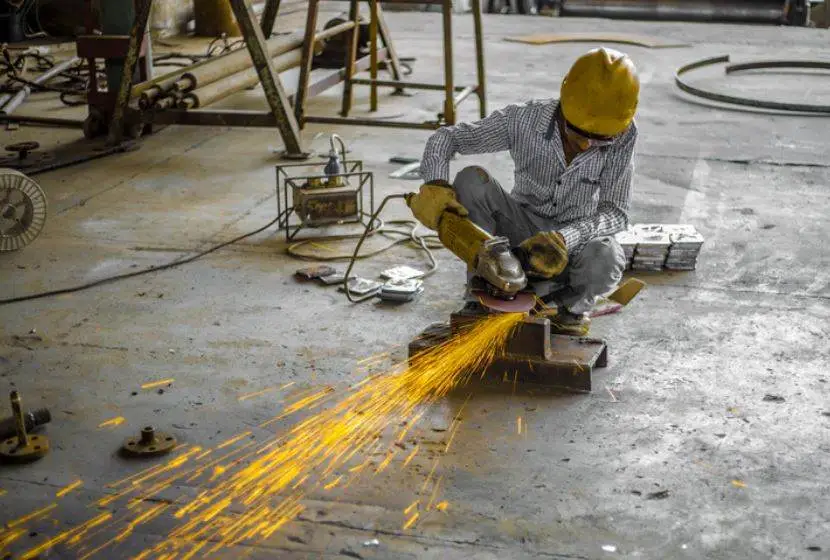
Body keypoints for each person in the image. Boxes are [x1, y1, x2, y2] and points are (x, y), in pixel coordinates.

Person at [408, 47, 640, 335]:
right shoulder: (523, 121)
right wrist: (435, 184)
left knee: (606, 257)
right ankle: (482, 292)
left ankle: (569, 312)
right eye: (579, 133)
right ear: (565, 105)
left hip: (574, 242)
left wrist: (565, 239)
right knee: (471, 180)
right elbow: (446, 138)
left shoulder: (623, 134)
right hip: (519, 232)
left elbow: (615, 212)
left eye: (600, 139)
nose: (586, 146)